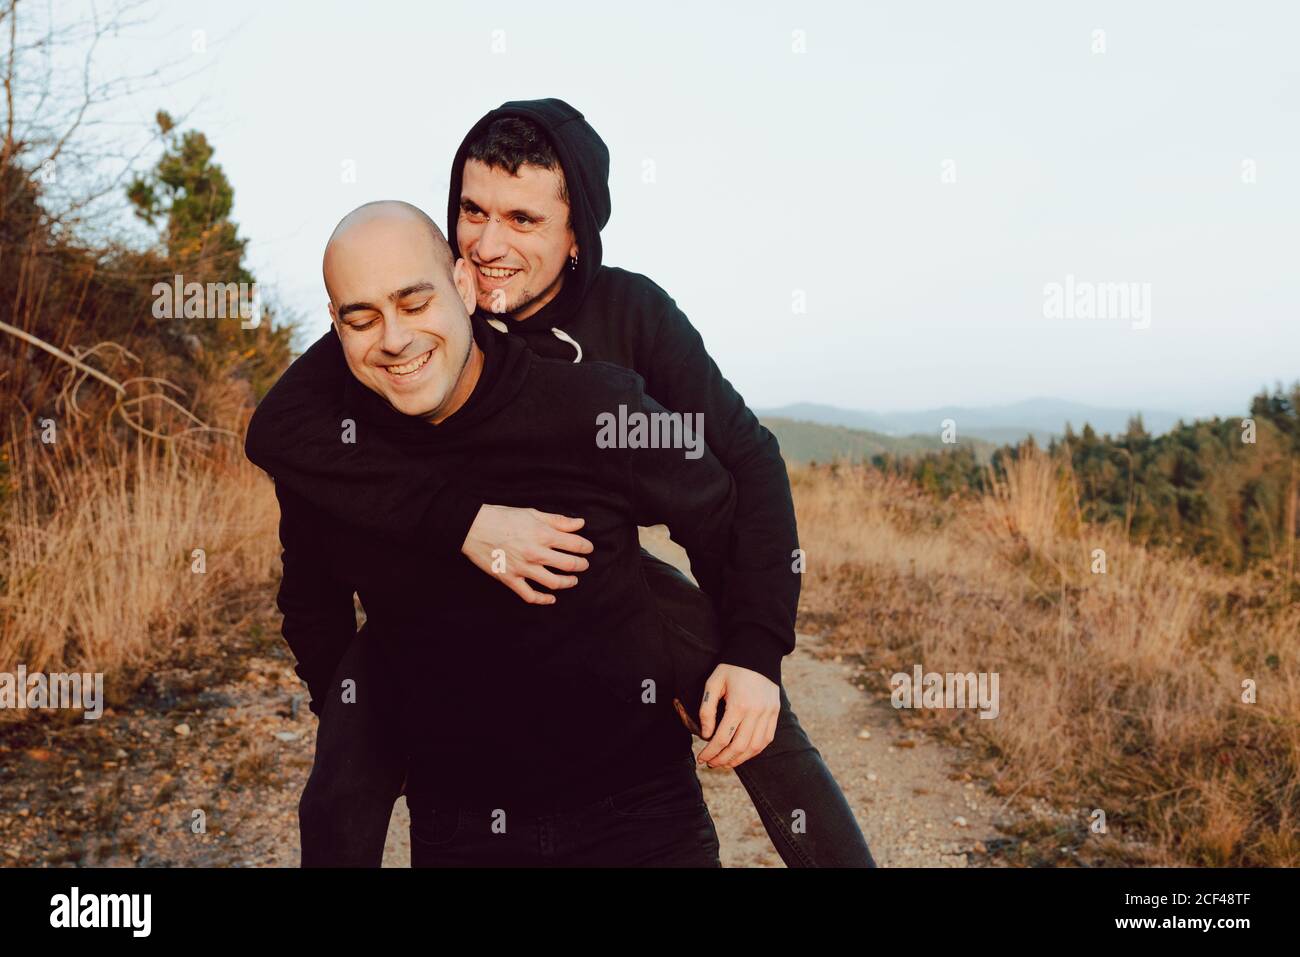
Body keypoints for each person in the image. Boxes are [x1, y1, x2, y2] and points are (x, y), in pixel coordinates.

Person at [247, 98, 876, 868]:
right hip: (435, 594)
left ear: (578, 236)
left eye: (522, 220)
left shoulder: (628, 320)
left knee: (712, 654)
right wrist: (463, 520)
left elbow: (739, 470)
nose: (486, 243)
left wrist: (753, 652)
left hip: (603, 577)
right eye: (471, 212)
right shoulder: (404, 318)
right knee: (363, 707)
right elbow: (280, 430)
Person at [276, 199, 733, 865]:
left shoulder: (589, 405)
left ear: (464, 286)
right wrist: (367, 727)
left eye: (414, 301)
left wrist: (744, 654)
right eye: (362, 318)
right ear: (335, 329)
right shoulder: (332, 459)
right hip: (459, 830)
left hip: (639, 818)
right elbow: (311, 610)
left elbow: (718, 507)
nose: (395, 338)